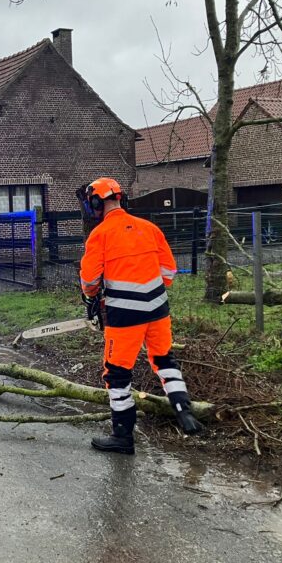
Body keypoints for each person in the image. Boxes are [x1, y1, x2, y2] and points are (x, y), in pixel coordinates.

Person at [79, 177, 203, 455]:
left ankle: (122, 436)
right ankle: (184, 411)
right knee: (164, 360)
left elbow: (89, 280)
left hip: (125, 316)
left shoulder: (100, 234)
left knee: (117, 373)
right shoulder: (150, 228)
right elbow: (169, 272)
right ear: (119, 198)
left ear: (95, 203)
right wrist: (145, 287)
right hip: (158, 309)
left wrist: (93, 297)